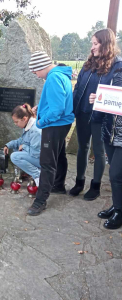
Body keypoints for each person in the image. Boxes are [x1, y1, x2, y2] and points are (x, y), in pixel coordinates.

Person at [70, 28, 122, 200]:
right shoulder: (88, 64)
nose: (92, 48)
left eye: (95, 44)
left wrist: (100, 97)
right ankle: (79, 182)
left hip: (102, 117)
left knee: (99, 151)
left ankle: (95, 186)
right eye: (92, 44)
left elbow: (117, 94)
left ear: (105, 44)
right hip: (83, 113)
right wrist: (72, 107)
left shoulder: (117, 67)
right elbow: (78, 88)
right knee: (82, 148)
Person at [27, 51, 74, 216]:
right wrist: (39, 108)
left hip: (55, 125)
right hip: (63, 123)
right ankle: (58, 185)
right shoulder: (60, 74)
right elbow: (55, 100)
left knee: (47, 162)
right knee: (59, 155)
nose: (35, 74)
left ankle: (40, 201)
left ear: (41, 66)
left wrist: (40, 121)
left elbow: (57, 109)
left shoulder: (53, 78)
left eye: (35, 70)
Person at [90, 69, 122, 229]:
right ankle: (117, 205)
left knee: (116, 174)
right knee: (115, 175)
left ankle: (119, 211)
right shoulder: (117, 73)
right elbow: (108, 100)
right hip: (111, 133)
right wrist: (97, 99)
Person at [4, 103, 41, 186]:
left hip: (42, 160)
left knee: (15, 156)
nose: (16, 124)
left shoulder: (35, 131)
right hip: (36, 157)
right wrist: (8, 145)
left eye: (16, 122)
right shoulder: (28, 126)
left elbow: (37, 153)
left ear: (24, 119)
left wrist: (24, 147)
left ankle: (38, 175)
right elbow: (21, 141)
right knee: (16, 150)